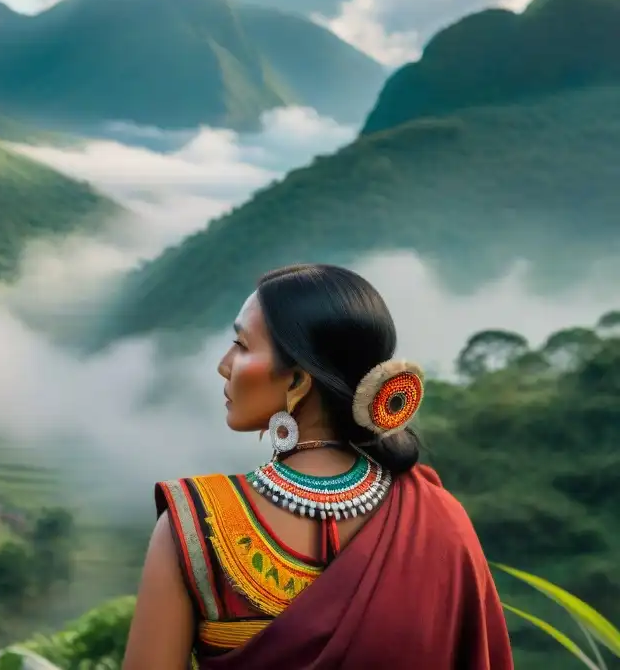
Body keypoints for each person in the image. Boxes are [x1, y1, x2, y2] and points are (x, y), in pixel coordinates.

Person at [122, 264, 514, 670]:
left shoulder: (193, 524)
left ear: (296, 382)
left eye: (241, 345)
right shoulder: (439, 520)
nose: (224, 364)